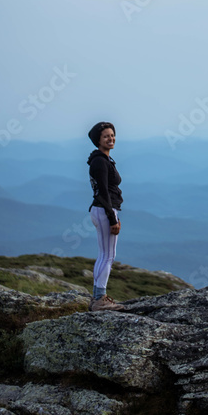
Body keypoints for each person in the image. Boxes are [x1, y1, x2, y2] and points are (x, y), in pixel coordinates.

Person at [87, 121, 126, 312]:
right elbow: (103, 192)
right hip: (104, 210)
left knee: (105, 254)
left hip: (102, 210)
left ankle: (97, 296)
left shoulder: (101, 160)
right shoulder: (100, 162)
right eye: (106, 136)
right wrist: (113, 218)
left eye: (112, 135)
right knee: (108, 255)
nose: (110, 139)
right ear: (98, 140)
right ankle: (100, 298)